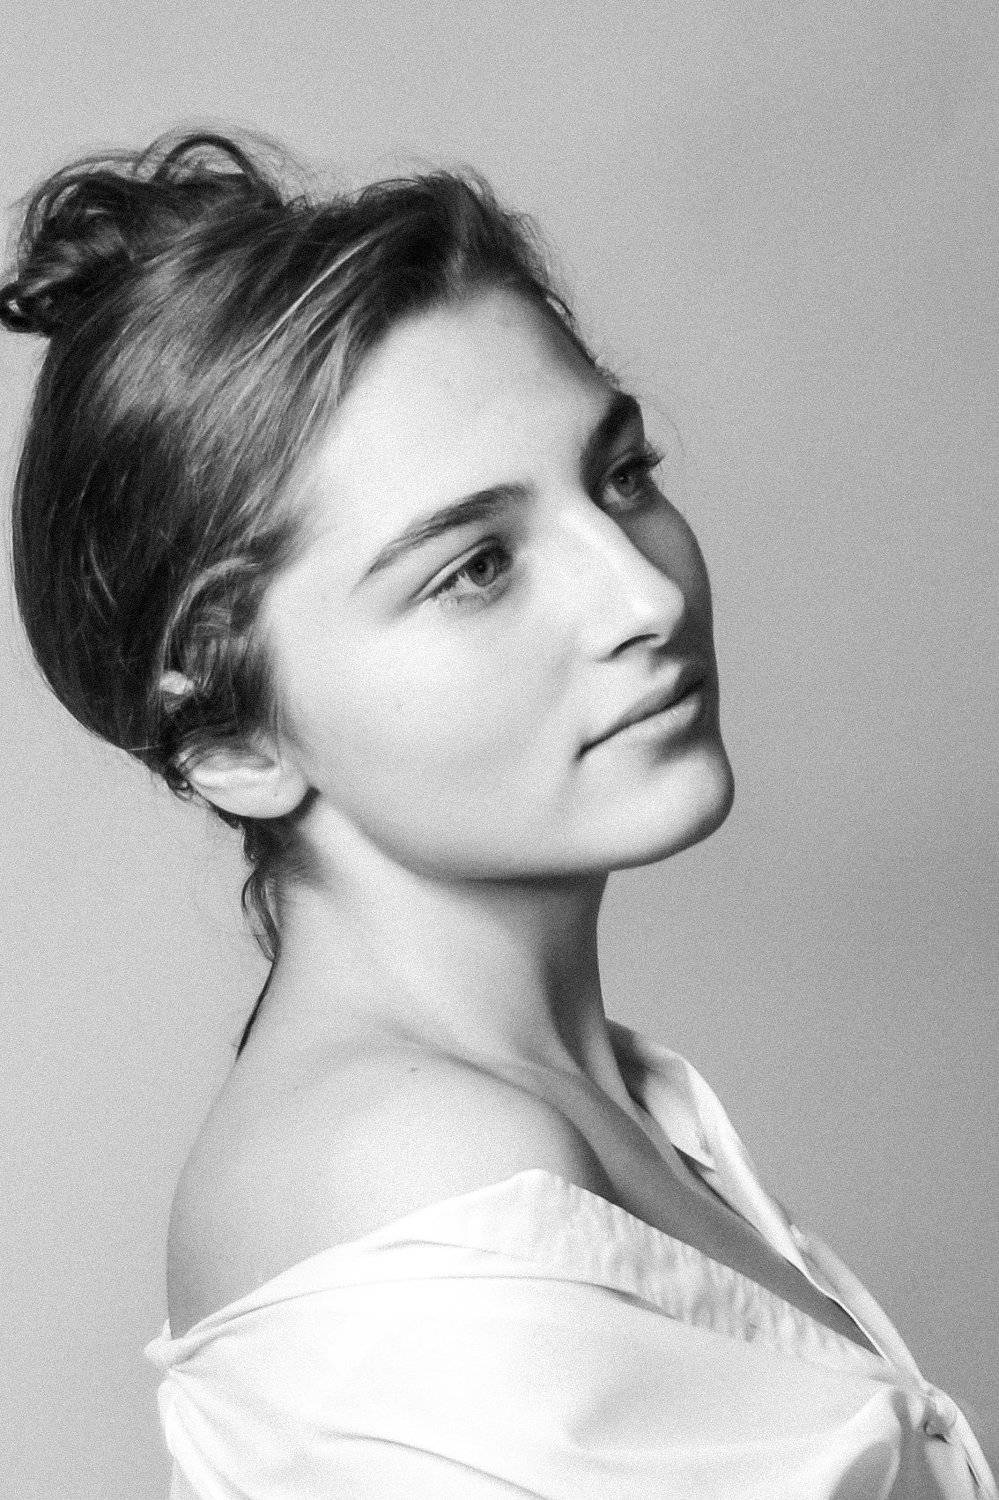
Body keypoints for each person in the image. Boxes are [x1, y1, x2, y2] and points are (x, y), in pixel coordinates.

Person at [1, 131, 993, 1500]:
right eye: (475, 567)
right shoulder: (417, 1167)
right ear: (231, 735)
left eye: (623, 476)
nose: (645, 598)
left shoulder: (601, 1107)